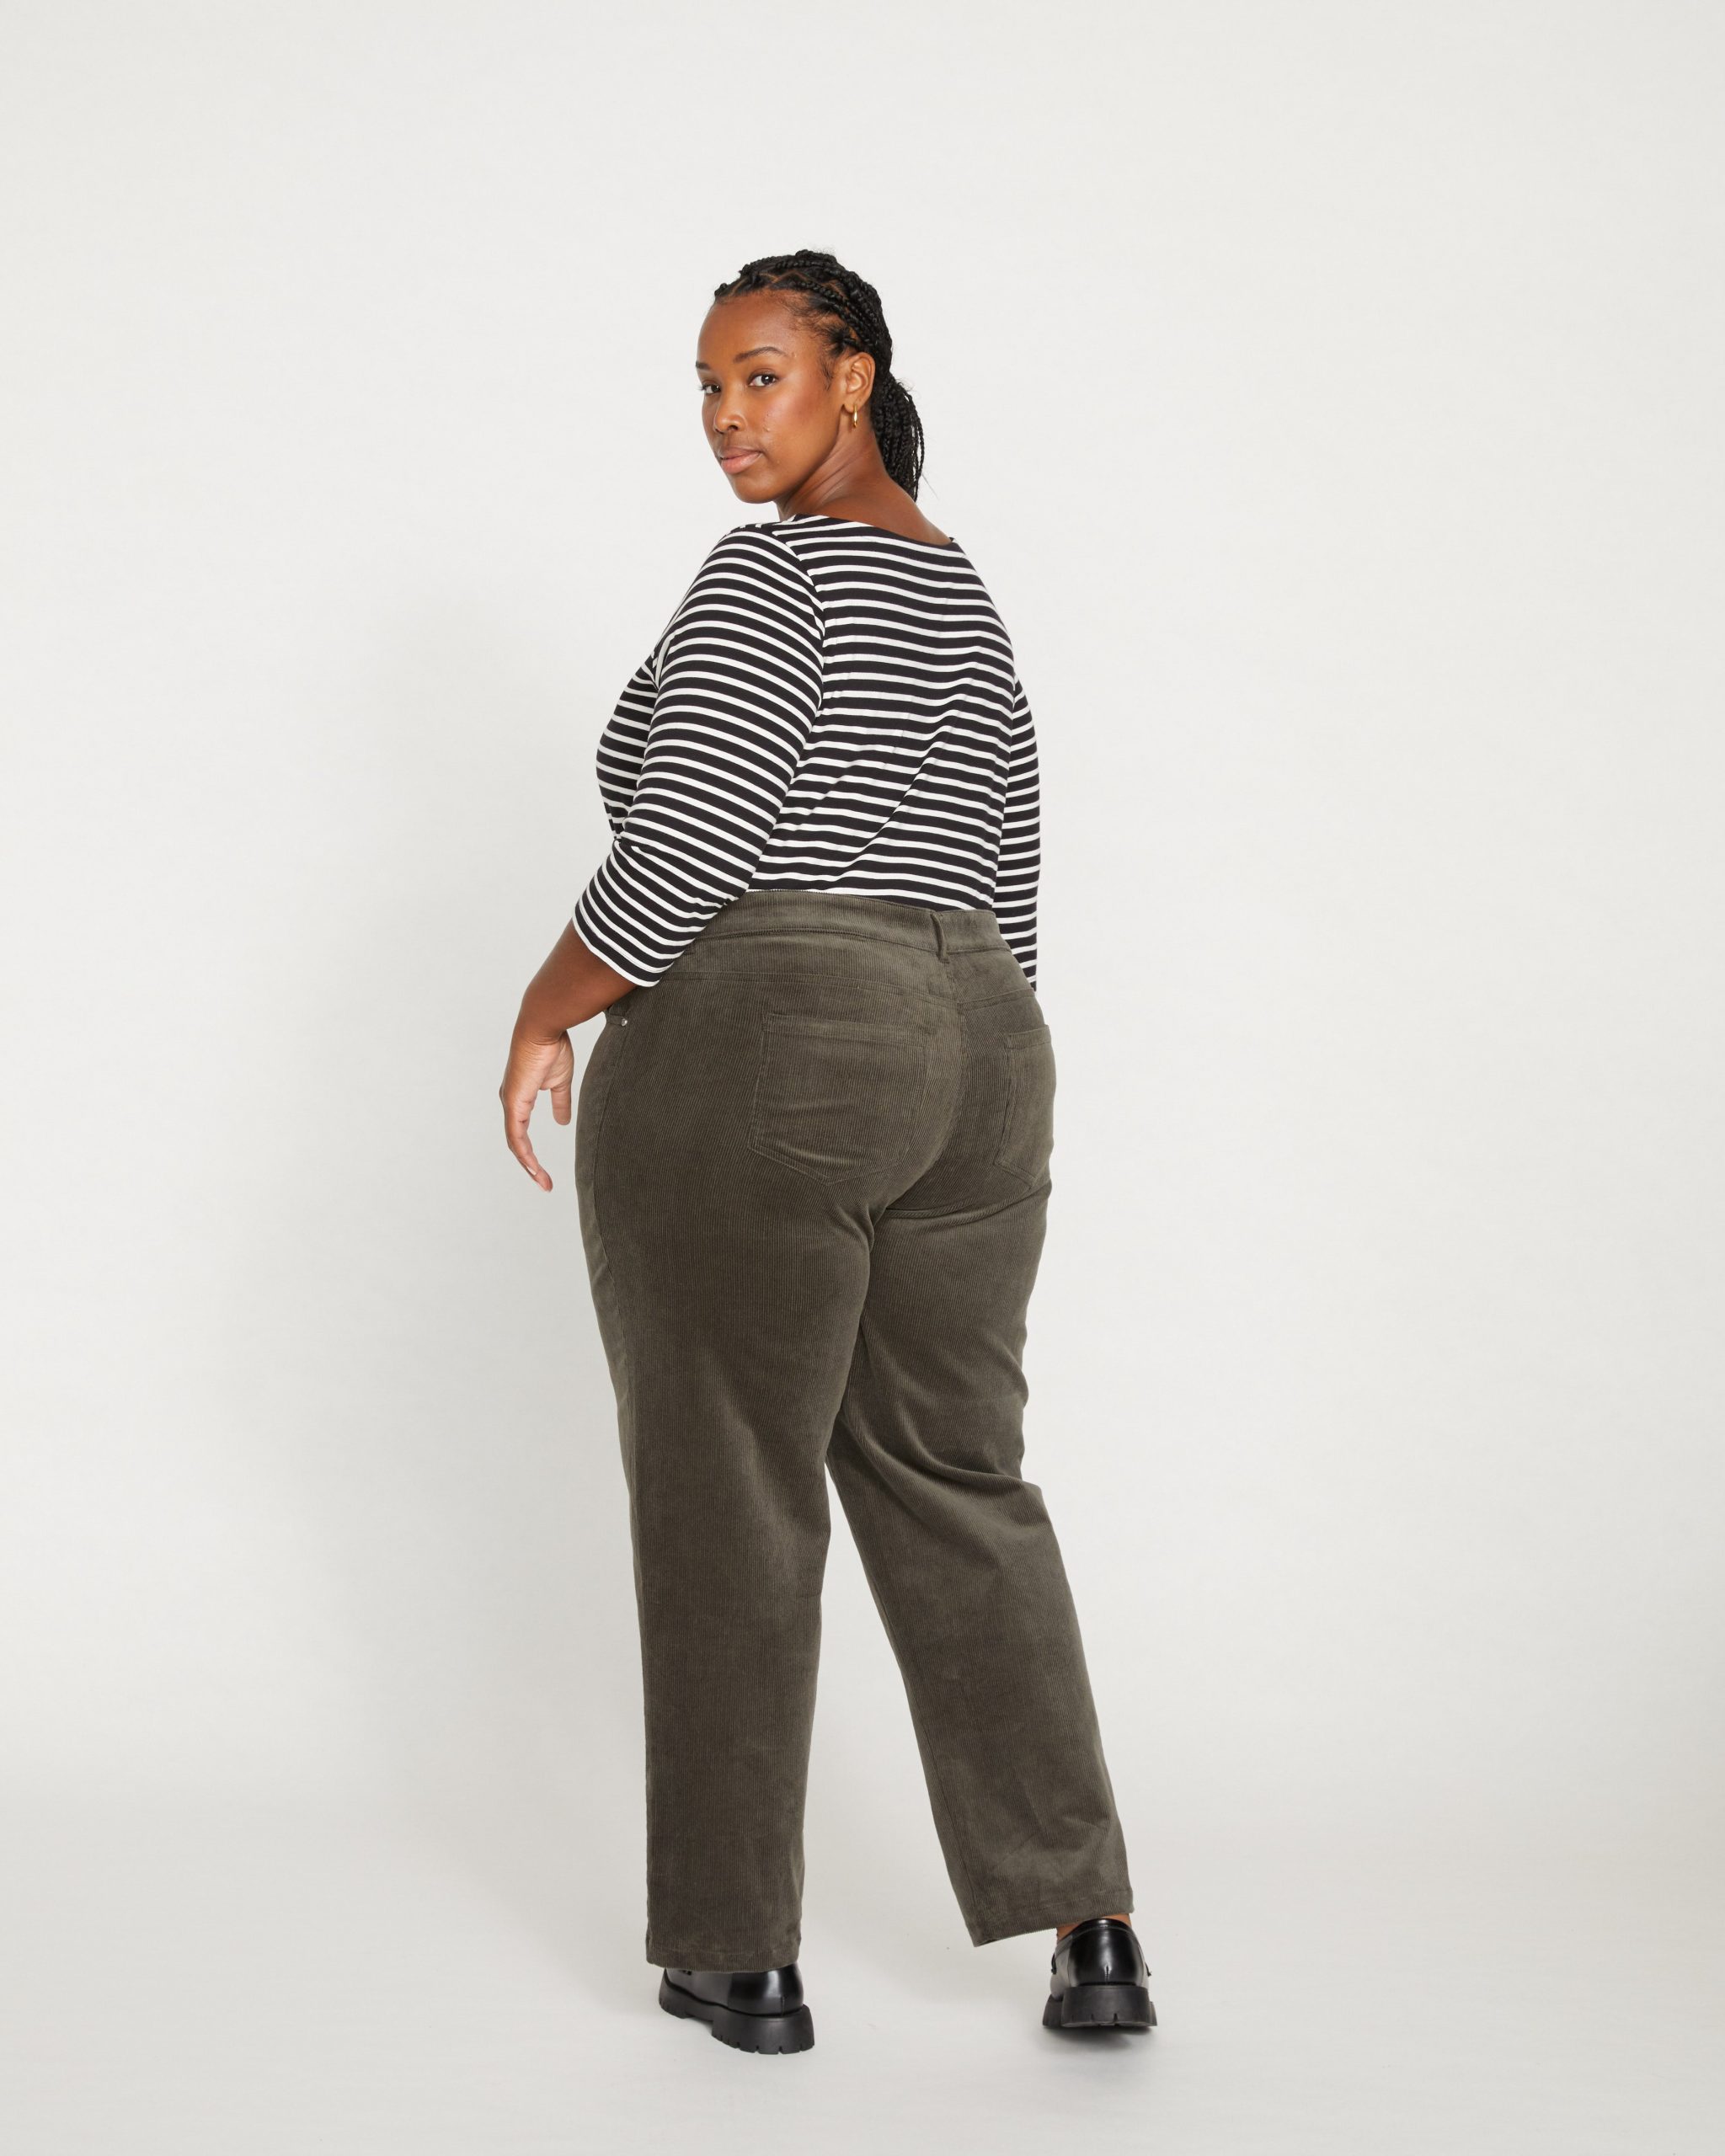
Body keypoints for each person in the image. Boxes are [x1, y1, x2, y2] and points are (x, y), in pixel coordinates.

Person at [499, 249, 1153, 2053]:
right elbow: (1009, 868)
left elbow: (695, 835)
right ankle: (1092, 1923)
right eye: (709, 387)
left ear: (852, 376)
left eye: (763, 375)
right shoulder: (965, 591)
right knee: (957, 1475)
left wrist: (546, 1006)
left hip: (775, 1028)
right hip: (983, 1045)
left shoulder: (773, 569)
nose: (728, 416)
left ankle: (739, 1951)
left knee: (733, 1478)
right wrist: (958, 1062)